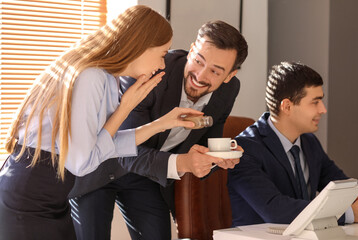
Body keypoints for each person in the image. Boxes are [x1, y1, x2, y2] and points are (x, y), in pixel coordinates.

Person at [0, 5, 209, 240]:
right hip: (31, 196)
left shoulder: (107, 79)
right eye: (162, 53)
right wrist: (125, 108)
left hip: (50, 193)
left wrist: (163, 123)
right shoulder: (92, 77)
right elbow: (83, 162)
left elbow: (103, 145)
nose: (162, 65)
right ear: (140, 45)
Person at [71, 20, 248, 240]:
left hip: (148, 174)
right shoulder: (152, 70)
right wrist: (182, 163)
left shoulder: (229, 91)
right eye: (198, 61)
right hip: (99, 166)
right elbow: (123, 150)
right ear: (192, 49)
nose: (201, 75)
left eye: (215, 71)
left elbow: (207, 144)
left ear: (230, 75)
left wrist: (217, 159)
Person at [228, 61, 358, 226]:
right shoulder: (244, 149)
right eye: (315, 102)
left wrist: (356, 199)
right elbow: (276, 210)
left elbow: (343, 187)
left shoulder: (309, 142)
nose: (323, 109)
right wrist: (349, 214)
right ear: (287, 106)